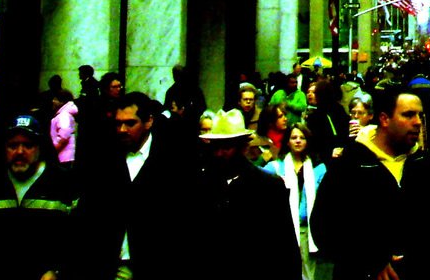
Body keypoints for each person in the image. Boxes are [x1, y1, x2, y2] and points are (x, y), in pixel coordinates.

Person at [312, 86, 430, 280]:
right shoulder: (350, 166)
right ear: (384, 119)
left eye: (419, 116)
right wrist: (370, 261)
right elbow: (325, 229)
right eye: (408, 115)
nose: (417, 122)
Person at [72, 91, 198, 279]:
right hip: (107, 265)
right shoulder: (103, 160)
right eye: (118, 123)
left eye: (130, 123)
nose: (122, 129)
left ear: (148, 121)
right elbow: (87, 212)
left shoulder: (172, 160)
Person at [0, 114, 79, 280]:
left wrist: (57, 271)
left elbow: (77, 238)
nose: (20, 152)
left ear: (40, 148)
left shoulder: (62, 186)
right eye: (13, 145)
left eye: (28, 145)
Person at [198, 109, 302, 280]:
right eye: (215, 147)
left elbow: (285, 249)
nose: (219, 153)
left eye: (226, 147)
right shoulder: (202, 184)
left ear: (243, 147)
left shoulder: (269, 186)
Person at [266, 121, 326, 280]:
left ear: (308, 141)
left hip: (307, 228)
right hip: (284, 227)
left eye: (302, 137)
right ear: (287, 141)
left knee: (308, 271)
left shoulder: (318, 168)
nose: (298, 140)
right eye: (294, 137)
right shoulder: (276, 168)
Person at [49, 90, 79, 164]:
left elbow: (64, 133)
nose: (53, 101)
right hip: (65, 156)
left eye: (55, 99)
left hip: (64, 157)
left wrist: (55, 148)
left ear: (62, 102)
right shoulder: (63, 115)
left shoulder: (63, 115)